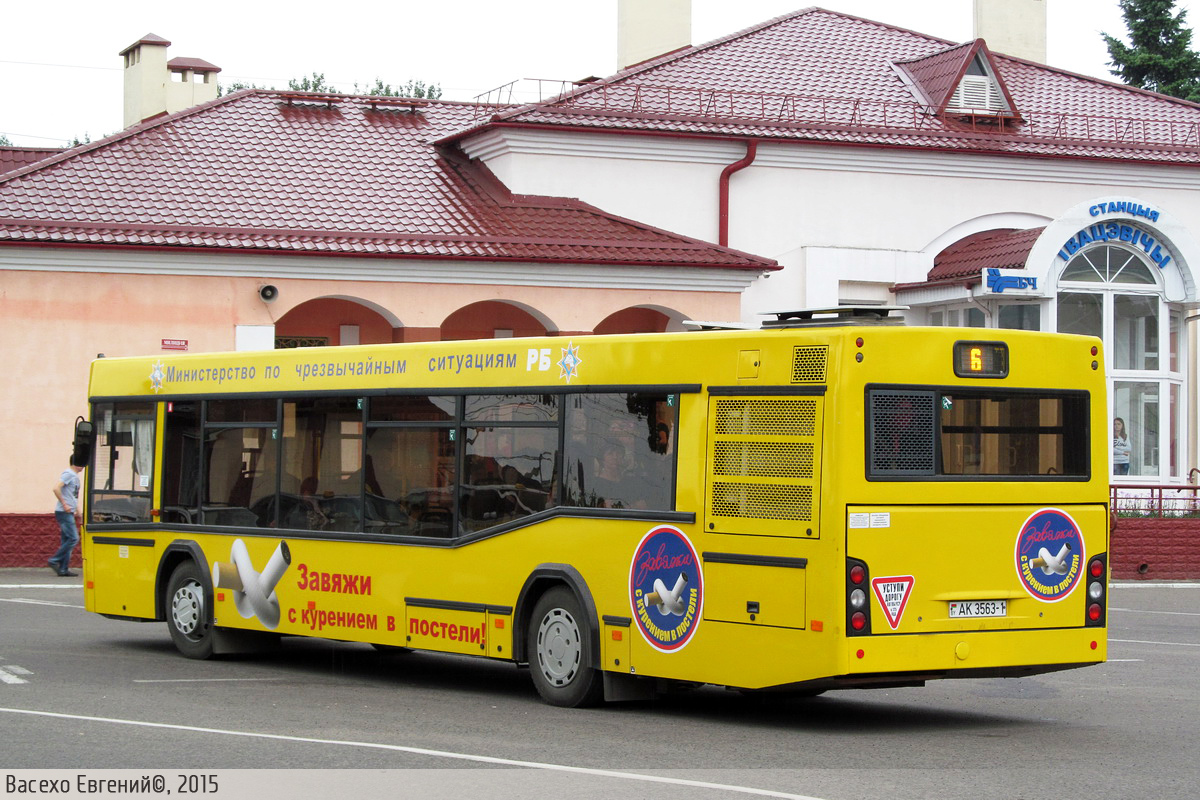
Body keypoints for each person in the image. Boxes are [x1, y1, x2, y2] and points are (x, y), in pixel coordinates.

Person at [49, 461, 84, 577]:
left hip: (68, 512)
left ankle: (63, 569)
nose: (84, 466)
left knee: (67, 540)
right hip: (63, 512)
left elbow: (73, 496)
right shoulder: (68, 474)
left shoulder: (74, 476)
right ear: (75, 463)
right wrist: (64, 504)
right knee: (74, 538)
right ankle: (54, 560)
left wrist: (79, 512)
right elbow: (56, 488)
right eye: (82, 463)